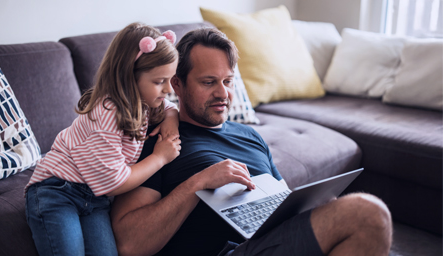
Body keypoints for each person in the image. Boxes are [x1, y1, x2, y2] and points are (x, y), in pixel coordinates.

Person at [111, 28, 393, 256]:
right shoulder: (158, 141)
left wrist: (315, 209)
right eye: (208, 82)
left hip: (270, 240)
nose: (223, 93)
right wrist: (196, 184)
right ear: (177, 85)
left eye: (228, 81)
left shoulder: (250, 136)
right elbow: (130, 244)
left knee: (359, 223)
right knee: (369, 215)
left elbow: (282, 203)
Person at [24, 23, 182, 256]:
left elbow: (171, 108)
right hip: (58, 190)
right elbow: (116, 182)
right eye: (160, 81)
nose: (169, 89)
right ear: (129, 76)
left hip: (95, 199)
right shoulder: (108, 111)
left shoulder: (146, 102)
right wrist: (160, 158)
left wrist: (171, 118)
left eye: (170, 79)